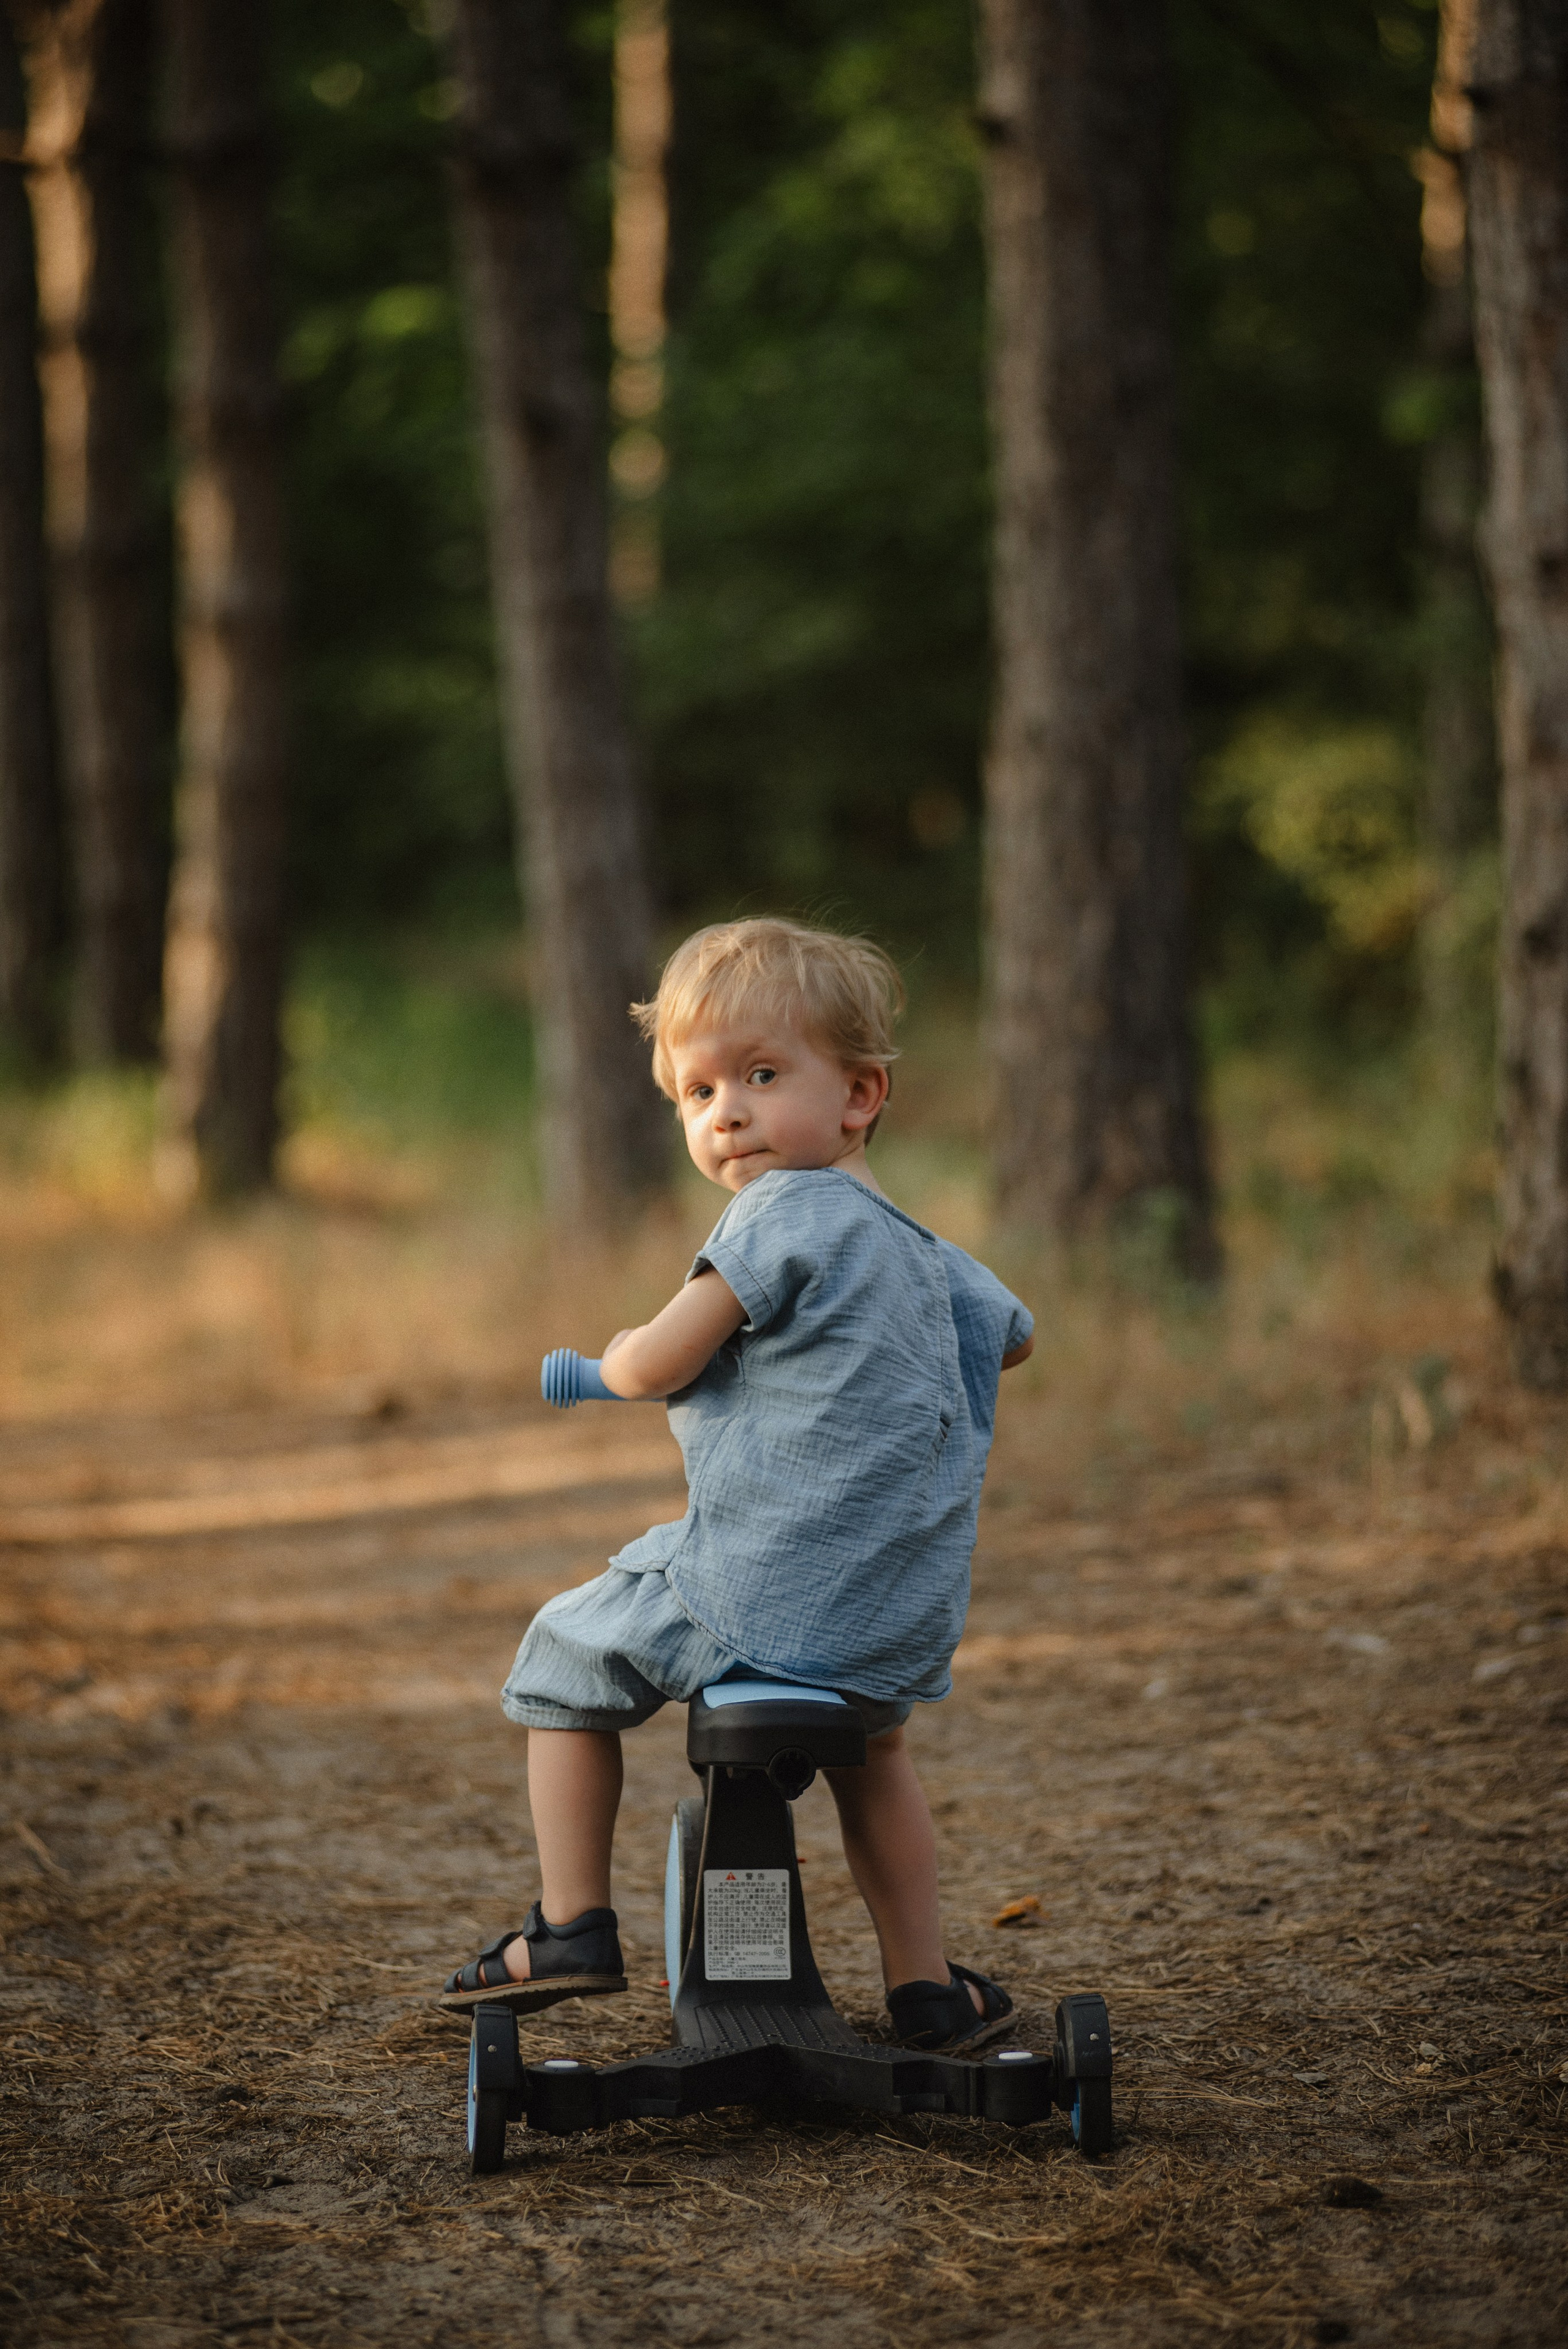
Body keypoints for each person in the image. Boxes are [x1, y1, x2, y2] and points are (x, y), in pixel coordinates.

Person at [440, 918, 1035, 2051]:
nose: (727, 1113)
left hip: (760, 1594)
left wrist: (614, 1361)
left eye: (762, 1075)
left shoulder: (782, 1211)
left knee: (560, 1658)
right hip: (891, 1621)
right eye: (699, 1090)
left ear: (860, 1095)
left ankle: (570, 1924)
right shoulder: (930, 1254)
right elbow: (1014, 1339)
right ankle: (922, 1983)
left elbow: (663, 1360)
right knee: (879, 1757)